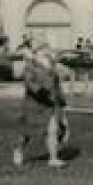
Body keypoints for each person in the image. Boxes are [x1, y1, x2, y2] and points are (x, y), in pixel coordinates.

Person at [13, 37, 69, 168]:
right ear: (37, 51)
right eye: (43, 48)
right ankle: (19, 150)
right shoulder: (30, 65)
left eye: (47, 48)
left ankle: (53, 158)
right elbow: (28, 82)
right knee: (27, 133)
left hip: (51, 104)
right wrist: (40, 91)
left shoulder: (52, 65)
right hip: (34, 104)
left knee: (53, 130)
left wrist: (61, 102)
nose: (47, 50)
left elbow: (57, 85)